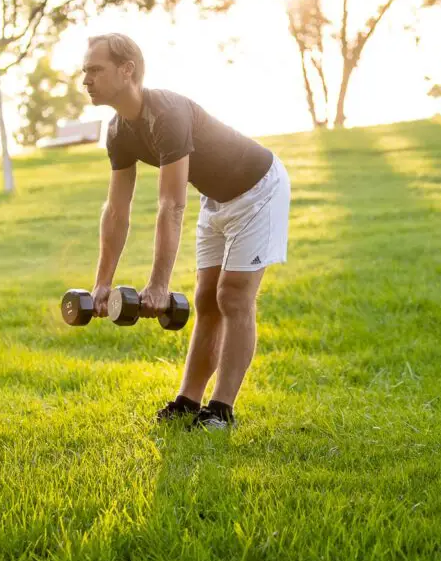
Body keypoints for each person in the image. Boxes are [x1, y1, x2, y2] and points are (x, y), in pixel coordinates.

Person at [82, 33, 291, 430]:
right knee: (205, 299)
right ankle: (188, 401)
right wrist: (102, 285)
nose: (85, 80)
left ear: (127, 71)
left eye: (95, 69)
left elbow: (170, 204)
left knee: (232, 296)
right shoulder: (117, 131)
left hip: (259, 189)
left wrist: (159, 285)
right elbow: (117, 211)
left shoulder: (167, 113)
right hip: (215, 199)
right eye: (84, 71)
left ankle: (222, 410)